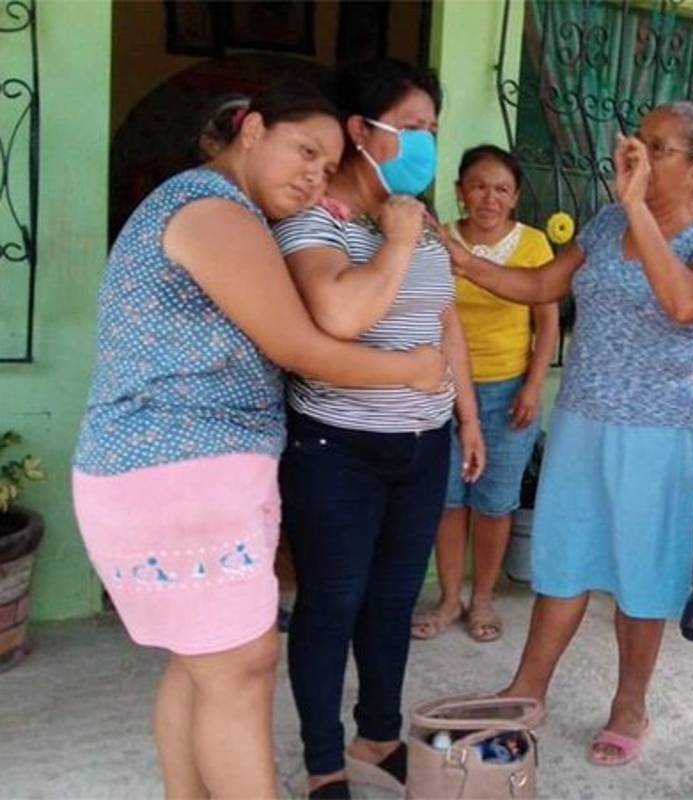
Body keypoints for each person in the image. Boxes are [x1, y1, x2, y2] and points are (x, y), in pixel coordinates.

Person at [72, 82, 445, 800]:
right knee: (241, 674)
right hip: (180, 465)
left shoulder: (216, 207)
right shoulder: (213, 212)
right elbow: (300, 345)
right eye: (303, 151)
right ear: (250, 129)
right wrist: (412, 370)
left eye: (326, 164)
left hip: (155, 470)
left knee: (202, 666)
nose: (312, 174)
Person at [448, 102, 693, 766]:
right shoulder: (607, 222)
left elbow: (685, 305)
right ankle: (527, 687)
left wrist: (639, 206)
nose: (639, 152)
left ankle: (629, 705)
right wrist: (465, 263)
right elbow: (545, 281)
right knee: (564, 562)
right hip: (582, 419)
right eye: (641, 139)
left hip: (655, 433)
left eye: (660, 148)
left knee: (642, 578)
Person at [271, 60, 480, 799]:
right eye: (413, 127)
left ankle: (379, 734)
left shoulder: (415, 219)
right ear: (362, 132)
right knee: (333, 601)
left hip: (423, 446)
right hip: (338, 447)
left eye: (432, 128)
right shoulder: (312, 219)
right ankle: (325, 760)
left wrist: (466, 415)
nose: (427, 144)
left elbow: (442, 316)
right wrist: (394, 238)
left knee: (394, 601)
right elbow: (340, 315)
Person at [412, 145, 558, 643]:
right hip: (443, 391)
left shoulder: (535, 244)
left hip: (510, 391)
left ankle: (484, 598)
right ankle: (450, 598)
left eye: (501, 189)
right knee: (448, 498)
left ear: (515, 196)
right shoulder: (437, 241)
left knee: (495, 502)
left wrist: (535, 385)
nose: (489, 198)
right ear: (460, 191)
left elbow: (547, 322)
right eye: (478, 186)